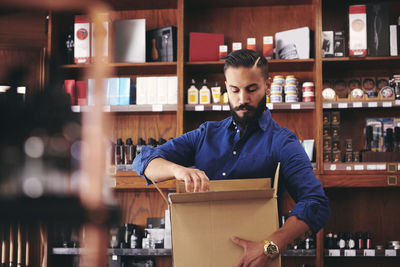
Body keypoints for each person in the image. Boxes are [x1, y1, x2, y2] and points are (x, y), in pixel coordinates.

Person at [133, 49, 330, 266]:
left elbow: (316, 204)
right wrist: (177, 170)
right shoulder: (205, 134)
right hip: (201, 257)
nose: (242, 99)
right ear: (226, 86)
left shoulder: (283, 142)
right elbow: (143, 160)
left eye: (252, 89)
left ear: (267, 84)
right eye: (234, 90)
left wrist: (269, 247)